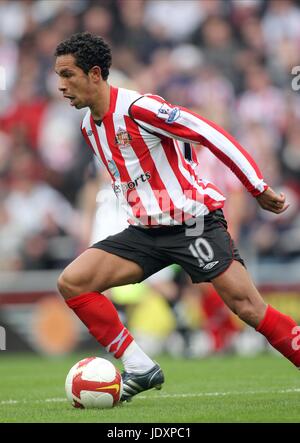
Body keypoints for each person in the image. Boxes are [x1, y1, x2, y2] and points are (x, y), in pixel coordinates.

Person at [54, 32, 300, 402]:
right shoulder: (90, 127)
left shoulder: (140, 107)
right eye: (58, 76)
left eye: (68, 75)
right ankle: (140, 367)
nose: (61, 86)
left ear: (94, 74)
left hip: (193, 225)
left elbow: (208, 133)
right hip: (145, 233)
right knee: (73, 282)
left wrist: (256, 186)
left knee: (248, 308)